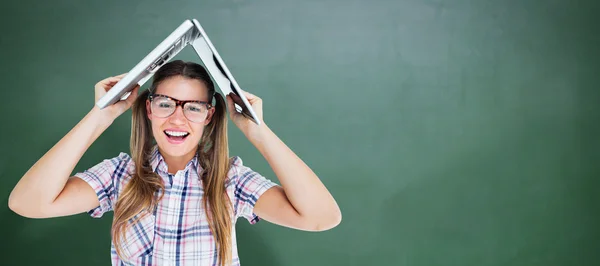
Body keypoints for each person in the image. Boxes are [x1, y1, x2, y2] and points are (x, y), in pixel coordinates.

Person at [8, 60, 341, 266]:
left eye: (193, 107)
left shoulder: (230, 181)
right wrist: (101, 116)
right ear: (149, 108)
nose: (178, 118)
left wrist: (258, 131)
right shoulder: (119, 175)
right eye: (166, 103)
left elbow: (321, 218)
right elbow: (28, 203)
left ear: (209, 116)